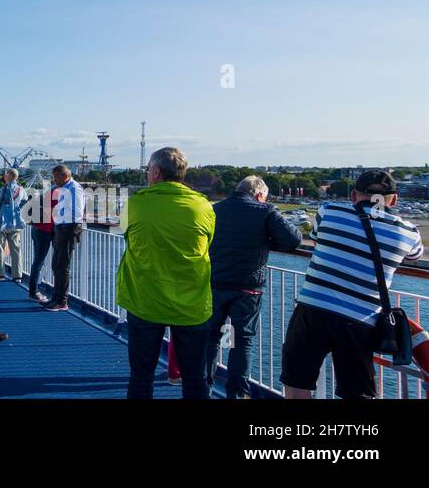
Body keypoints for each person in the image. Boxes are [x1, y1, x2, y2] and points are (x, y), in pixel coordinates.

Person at [282, 169, 424, 400]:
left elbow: (317, 236)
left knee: (296, 383)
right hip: (360, 320)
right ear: (395, 198)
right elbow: (413, 257)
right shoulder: (408, 232)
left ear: (354, 195)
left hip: (312, 310)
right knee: (357, 393)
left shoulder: (328, 212)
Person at [116, 147, 216, 399]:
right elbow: (208, 241)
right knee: (194, 378)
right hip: (191, 304)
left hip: (144, 300)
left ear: (157, 172)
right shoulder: (203, 206)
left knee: (141, 376)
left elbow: (126, 236)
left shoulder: (136, 203)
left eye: (148, 169)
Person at [204, 175, 302, 398]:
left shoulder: (215, 209)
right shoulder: (265, 211)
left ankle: (202, 389)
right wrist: (267, 239)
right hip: (248, 288)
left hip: (214, 284)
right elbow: (293, 239)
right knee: (241, 342)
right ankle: (236, 394)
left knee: (210, 338)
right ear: (259, 195)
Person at [46, 164, 87, 311]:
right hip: (62, 228)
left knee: (62, 265)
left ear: (66, 176)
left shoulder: (74, 189)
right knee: (57, 264)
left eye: (57, 177)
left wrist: (63, 225)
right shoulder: (64, 189)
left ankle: (62, 301)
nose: (54, 180)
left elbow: (77, 213)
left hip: (68, 229)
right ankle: (56, 298)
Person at [0, 169, 26, 282]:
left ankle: (0, 274)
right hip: (16, 222)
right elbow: (24, 200)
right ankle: (17, 275)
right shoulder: (21, 189)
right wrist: (17, 208)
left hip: (2, 222)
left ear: (8, 176)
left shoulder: (4, 188)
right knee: (16, 249)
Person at [28, 180, 55, 302]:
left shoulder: (45, 196)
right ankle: (33, 292)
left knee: (38, 261)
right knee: (39, 261)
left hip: (37, 229)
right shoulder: (56, 197)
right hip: (44, 231)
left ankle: (33, 290)